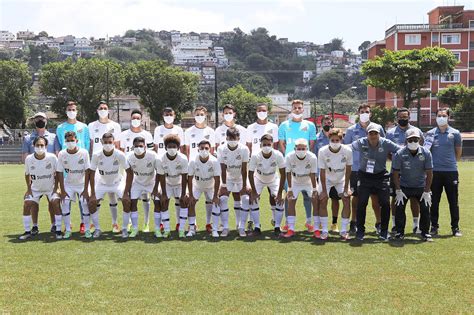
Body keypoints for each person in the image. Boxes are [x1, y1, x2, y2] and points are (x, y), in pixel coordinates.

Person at [351, 123, 400, 241]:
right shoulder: (361, 142)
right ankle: (360, 231)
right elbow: (348, 147)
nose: (373, 136)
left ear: (379, 134)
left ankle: (384, 231)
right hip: (364, 176)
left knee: (385, 203)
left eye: (375, 133)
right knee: (362, 203)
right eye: (370, 133)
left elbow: (400, 150)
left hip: (381, 176)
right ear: (367, 134)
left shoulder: (386, 143)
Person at [343, 104, 385, 234]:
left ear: (371, 114)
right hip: (356, 169)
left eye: (367, 112)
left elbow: (384, 144)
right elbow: (346, 149)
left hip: (375, 170)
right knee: (355, 198)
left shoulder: (378, 128)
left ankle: (378, 223)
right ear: (358, 113)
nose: (364, 113)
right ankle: (354, 222)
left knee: (375, 198)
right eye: (362, 112)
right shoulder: (351, 130)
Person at [278, 99, 317, 232]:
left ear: (303, 109)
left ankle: (309, 221)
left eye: (300, 108)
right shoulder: (283, 125)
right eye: (295, 107)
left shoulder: (310, 125)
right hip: (290, 165)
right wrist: (289, 157)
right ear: (291, 109)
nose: (297, 110)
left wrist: (304, 157)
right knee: (289, 194)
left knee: (308, 195)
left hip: (306, 164)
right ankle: (288, 223)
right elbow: (281, 144)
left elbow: (311, 144)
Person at [424, 108, 462, 237]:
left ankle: (455, 228)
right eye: (439, 115)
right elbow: (426, 152)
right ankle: (434, 227)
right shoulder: (429, 133)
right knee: (434, 201)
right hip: (434, 172)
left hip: (451, 172)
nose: (441, 118)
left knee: (453, 201)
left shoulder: (455, 133)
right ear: (435, 117)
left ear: (448, 117)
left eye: (444, 115)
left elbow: (458, 153)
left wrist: (450, 163)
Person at [386, 107, 424, 234]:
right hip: (396, 171)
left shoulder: (416, 131)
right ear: (397, 118)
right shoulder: (390, 133)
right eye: (400, 117)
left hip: (414, 172)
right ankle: (395, 224)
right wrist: (398, 160)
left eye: (405, 117)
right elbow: (387, 152)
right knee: (396, 198)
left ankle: (416, 225)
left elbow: (421, 148)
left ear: (409, 117)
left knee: (414, 198)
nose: (403, 119)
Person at [55, 101, 90, 234]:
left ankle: (83, 223)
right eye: (69, 109)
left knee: (83, 200)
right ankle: (67, 225)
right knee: (65, 199)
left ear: (77, 111)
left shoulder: (84, 126)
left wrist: (84, 160)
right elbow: (59, 144)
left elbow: (87, 144)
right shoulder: (60, 127)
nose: (71, 111)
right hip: (66, 165)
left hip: (80, 164)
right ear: (66, 111)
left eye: (73, 109)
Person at [392, 129, 433, 242]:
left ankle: (425, 233)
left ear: (420, 140)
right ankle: (400, 232)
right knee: (399, 208)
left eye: (416, 139)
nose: (413, 141)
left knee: (425, 209)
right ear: (406, 140)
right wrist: (398, 190)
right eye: (411, 140)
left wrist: (427, 191)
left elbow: (429, 173)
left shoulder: (426, 153)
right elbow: (395, 173)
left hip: (420, 186)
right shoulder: (400, 153)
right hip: (404, 186)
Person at [88, 101, 122, 233]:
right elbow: (91, 145)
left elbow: (117, 146)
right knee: (96, 195)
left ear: (108, 110)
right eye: (100, 108)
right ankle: (92, 223)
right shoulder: (91, 126)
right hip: (97, 165)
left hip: (113, 164)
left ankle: (115, 223)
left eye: (105, 108)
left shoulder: (115, 126)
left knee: (113, 194)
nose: (103, 110)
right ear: (97, 110)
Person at [87, 132, 129, 239]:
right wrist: (92, 194)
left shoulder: (120, 154)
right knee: (91, 203)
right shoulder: (96, 155)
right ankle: (97, 229)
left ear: (114, 142)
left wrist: (126, 192)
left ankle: (124, 228)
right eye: (105, 142)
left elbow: (130, 172)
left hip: (117, 183)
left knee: (127, 201)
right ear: (102, 142)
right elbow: (91, 173)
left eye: (110, 142)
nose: (108, 144)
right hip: (102, 183)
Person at [20, 136, 62, 240]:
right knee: (27, 204)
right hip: (35, 188)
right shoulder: (29, 159)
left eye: (42, 145)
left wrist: (57, 187)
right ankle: (29, 230)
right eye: (37, 145)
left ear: (46, 146)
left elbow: (57, 173)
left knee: (55, 203)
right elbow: (27, 174)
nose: (40, 147)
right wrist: (29, 189)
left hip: (50, 188)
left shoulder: (52, 157)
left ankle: (57, 229)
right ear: (33, 146)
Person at [119, 109, 154, 232]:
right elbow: (122, 152)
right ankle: (129, 223)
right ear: (130, 119)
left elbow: (150, 152)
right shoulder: (123, 135)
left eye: (138, 118)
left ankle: (146, 223)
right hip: (129, 169)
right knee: (129, 196)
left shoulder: (147, 135)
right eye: (133, 118)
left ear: (141, 120)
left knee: (146, 197)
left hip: (145, 170)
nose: (135, 120)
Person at [22, 112, 57, 232]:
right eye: (37, 118)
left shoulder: (53, 136)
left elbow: (57, 155)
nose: (40, 120)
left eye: (42, 118)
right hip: (35, 177)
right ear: (34, 120)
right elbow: (25, 157)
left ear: (46, 120)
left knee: (52, 202)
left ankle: (54, 225)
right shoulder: (28, 138)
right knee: (33, 203)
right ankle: (35, 226)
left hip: (50, 177)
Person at [246, 103, 279, 228]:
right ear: (256, 111)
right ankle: (251, 221)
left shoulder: (274, 127)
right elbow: (248, 146)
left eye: (264, 110)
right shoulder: (250, 127)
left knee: (273, 194)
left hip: (270, 165)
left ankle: (275, 219)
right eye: (259, 110)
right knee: (253, 194)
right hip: (256, 166)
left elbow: (275, 146)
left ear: (268, 112)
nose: (262, 112)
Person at [317, 128, 353, 240]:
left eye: (337, 140)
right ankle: (324, 231)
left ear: (341, 140)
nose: (335, 142)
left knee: (347, 200)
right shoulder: (322, 151)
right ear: (329, 139)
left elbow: (348, 169)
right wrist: (323, 190)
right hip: (326, 178)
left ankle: (343, 231)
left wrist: (346, 188)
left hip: (341, 178)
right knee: (323, 200)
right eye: (333, 140)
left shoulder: (347, 150)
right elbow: (322, 171)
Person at [184, 106, 216, 231]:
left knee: (210, 199)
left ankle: (209, 223)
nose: (199, 116)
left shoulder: (211, 131)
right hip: (194, 169)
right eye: (197, 114)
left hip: (207, 169)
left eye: (201, 114)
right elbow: (186, 151)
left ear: (206, 115)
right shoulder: (188, 132)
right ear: (193, 115)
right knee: (191, 199)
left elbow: (212, 151)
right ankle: (193, 224)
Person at [248, 134, 286, 237]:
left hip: (273, 179)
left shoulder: (278, 154)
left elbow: (283, 173)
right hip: (258, 179)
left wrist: (279, 193)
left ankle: (277, 227)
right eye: (264, 144)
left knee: (280, 200)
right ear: (260, 145)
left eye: (268, 144)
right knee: (253, 199)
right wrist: (254, 192)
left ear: (272, 144)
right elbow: (250, 173)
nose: (266, 146)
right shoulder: (255, 155)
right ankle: (257, 227)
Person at [56, 131, 91, 239]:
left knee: (84, 203)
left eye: (72, 140)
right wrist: (62, 190)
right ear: (65, 141)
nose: (70, 142)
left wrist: (85, 190)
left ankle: (87, 229)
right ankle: (68, 229)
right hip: (69, 184)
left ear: (77, 140)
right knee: (65, 203)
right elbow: (59, 172)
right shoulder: (62, 153)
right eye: (68, 140)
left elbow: (88, 171)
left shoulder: (84, 152)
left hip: (82, 184)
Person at [122, 137, 158, 238]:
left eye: (141, 146)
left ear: (145, 147)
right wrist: (126, 191)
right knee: (132, 203)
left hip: (151, 182)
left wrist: (156, 188)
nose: (138, 148)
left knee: (158, 202)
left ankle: (155, 228)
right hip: (137, 182)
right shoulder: (129, 157)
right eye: (136, 146)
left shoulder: (153, 155)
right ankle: (135, 229)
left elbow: (159, 172)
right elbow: (128, 174)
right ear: (133, 147)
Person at [217, 127, 250, 237]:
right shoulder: (221, 148)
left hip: (241, 177)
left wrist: (245, 185)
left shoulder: (244, 149)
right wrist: (224, 185)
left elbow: (245, 169)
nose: (232, 140)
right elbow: (222, 168)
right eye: (230, 138)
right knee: (223, 198)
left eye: (234, 138)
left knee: (245, 199)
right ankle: (225, 227)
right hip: (229, 177)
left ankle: (241, 227)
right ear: (226, 138)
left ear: (238, 138)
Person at [282, 139, 318, 238]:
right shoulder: (289, 156)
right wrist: (289, 188)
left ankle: (316, 229)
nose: (301, 150)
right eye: (299, 148)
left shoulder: (312, 157)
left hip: (308, 181)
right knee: (291, 201)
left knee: (315, 201)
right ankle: (291, 228)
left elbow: (313, 174)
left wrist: (315, 189)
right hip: (295, 181)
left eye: (303, 148)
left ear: (307, 148)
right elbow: (288, 173)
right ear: (295, 148)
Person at [155, 134, 189, 238]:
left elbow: (184, 177)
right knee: (163, 201)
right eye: (169, 147)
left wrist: (183, 194)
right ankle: (167, 230)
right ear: (165, 147)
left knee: (184, 201)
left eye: (174, 147)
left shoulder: (183, 158)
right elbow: (161, 176)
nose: (172, 149)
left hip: (179, 183)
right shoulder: (160, 159)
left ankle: (182, 229)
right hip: (167, 183)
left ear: (178, 148)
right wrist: (164, 193)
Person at [187, 140, 221, 238]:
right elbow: (189, 178)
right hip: (197, 185)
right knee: (191, 203)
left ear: (210, 149)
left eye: (206, 148)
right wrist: (191, 195)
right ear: (198, 149)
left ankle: (214, 229)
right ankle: (192, 228)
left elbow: (217, 179)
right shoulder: (193, 161)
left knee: (216, 203)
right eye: (202, 148)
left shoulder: (214, 161)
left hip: (211, 186)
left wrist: (215, 196)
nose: (204, 150)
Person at [315, 114, 341, 233]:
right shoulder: (317, 138)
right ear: (321, 124)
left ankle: (334, 223)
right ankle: (321, 221)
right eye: (325, 122)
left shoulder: (336, 137)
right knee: (322, 198)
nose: (327, 123)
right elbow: (314, 156)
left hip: (336, 174)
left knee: (335, 199)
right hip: (321, 174)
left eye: (329, 122)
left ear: (332, 123)